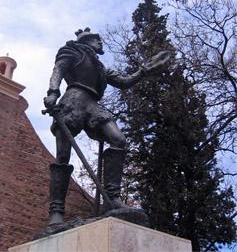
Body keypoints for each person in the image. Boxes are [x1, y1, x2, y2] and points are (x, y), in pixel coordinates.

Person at [43, 27, 170, 226]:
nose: (101, 43)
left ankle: (113, 200)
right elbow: (58, 71)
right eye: (97, 40)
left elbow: (124, 82)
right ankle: (56, 213)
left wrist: (146, 69)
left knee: (118, 140)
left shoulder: (101, 68)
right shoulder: (73, 53)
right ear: (87, 41)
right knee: (62, 157)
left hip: (92, 105)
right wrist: (52, 93)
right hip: (73, 101)